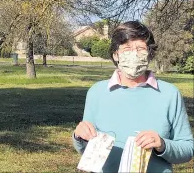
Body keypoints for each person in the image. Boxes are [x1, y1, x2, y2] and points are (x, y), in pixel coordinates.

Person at [72, 21, 194, 172]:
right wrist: (79, 137)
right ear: (116, 54)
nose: (134, 54)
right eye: (127, 48)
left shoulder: (169, 94)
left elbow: (187, 149)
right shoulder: (97, 92)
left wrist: (162, 144)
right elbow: (87, 150)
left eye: (140, 48)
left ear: (149, 54)